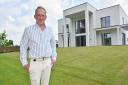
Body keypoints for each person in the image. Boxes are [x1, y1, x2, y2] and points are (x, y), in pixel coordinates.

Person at [20, 6, 57, 85]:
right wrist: (24, 62)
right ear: (35, 16)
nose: (40, 17)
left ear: (45, 17)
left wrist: (54, 57)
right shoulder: (28, 30)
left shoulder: (50, 29)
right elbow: (23, 46)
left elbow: (53, 44)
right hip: (35, 63)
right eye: (38, 15)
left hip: (47, 62)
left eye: (42, 15)